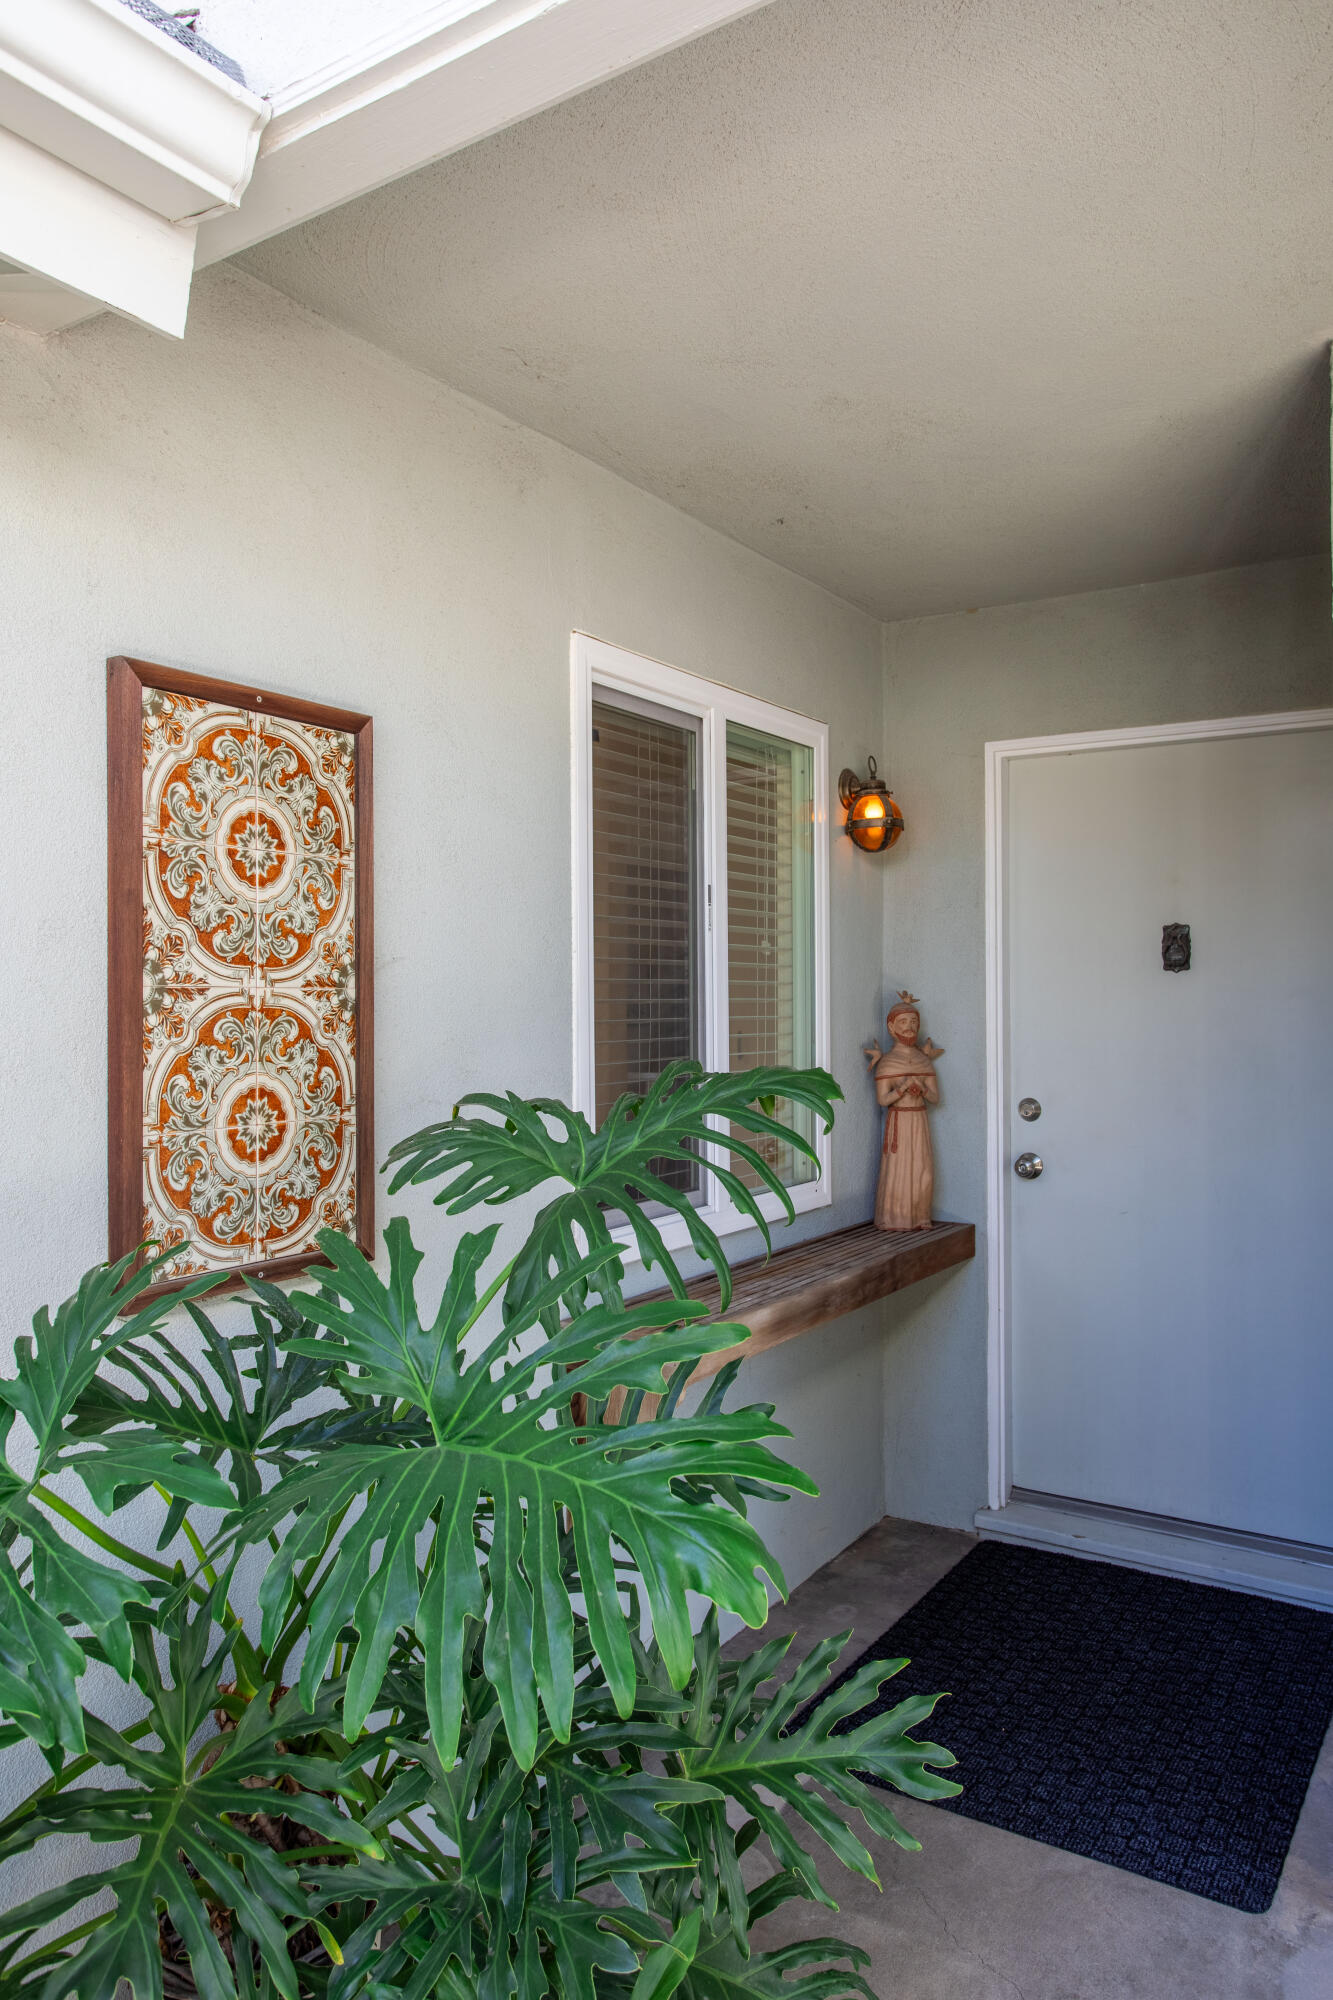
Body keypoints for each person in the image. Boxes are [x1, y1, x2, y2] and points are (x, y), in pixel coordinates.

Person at [864, 993, 941, 1231]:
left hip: (919, 1120)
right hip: (899, 1120)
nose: (910, 1028)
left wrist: (922, 1092)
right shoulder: (888, 1062)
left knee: (922, 1170)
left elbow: (936, 1097)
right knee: (899, 1170)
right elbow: (882, 1099)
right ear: (891, 1026)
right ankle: (894, 1218)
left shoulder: (922, 1060)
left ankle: (920, 1216)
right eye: (904, 1022)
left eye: (914, 1023)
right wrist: (903, 1088)